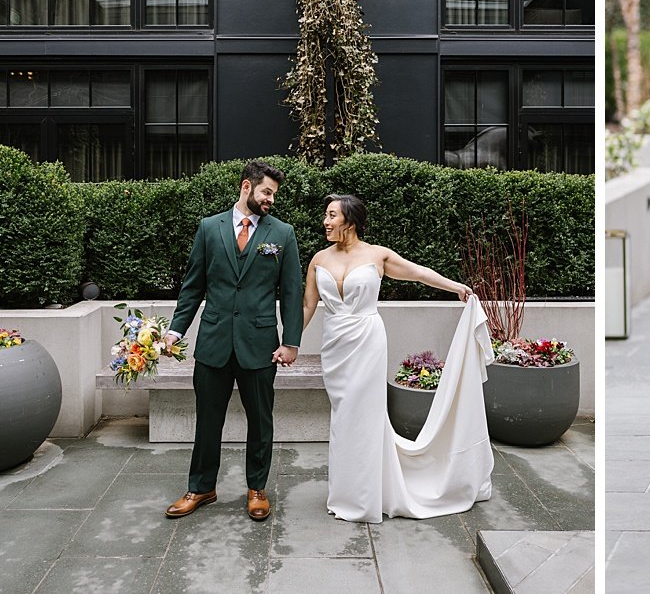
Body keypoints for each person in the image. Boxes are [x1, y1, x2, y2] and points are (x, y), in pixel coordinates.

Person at [303, 193, 494, 523]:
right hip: (335, 346)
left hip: (367, 341)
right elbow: (307, 306)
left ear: (349, 221)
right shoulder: (319, 259)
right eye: (326, 215)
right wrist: (286, 343)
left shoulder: (379, 255)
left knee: (365, 415)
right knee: (343, 416)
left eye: (331, 215)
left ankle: (365, 496)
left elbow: (419, 273)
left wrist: (456, 288)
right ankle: (349, 492)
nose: (325, 221)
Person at [164, 160, 304, 521]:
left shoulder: (282, 234)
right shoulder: (210, 227)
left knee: (261, 420)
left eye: (274, 194)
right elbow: (193, 285)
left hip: (259, 344)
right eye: (266, 192)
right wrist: (176, 329)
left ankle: (257, 488)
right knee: (207, 420)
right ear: (246, 187)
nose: (271, 199)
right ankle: (201, 487)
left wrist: (291, 341)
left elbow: (291, 293)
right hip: (213, 341)